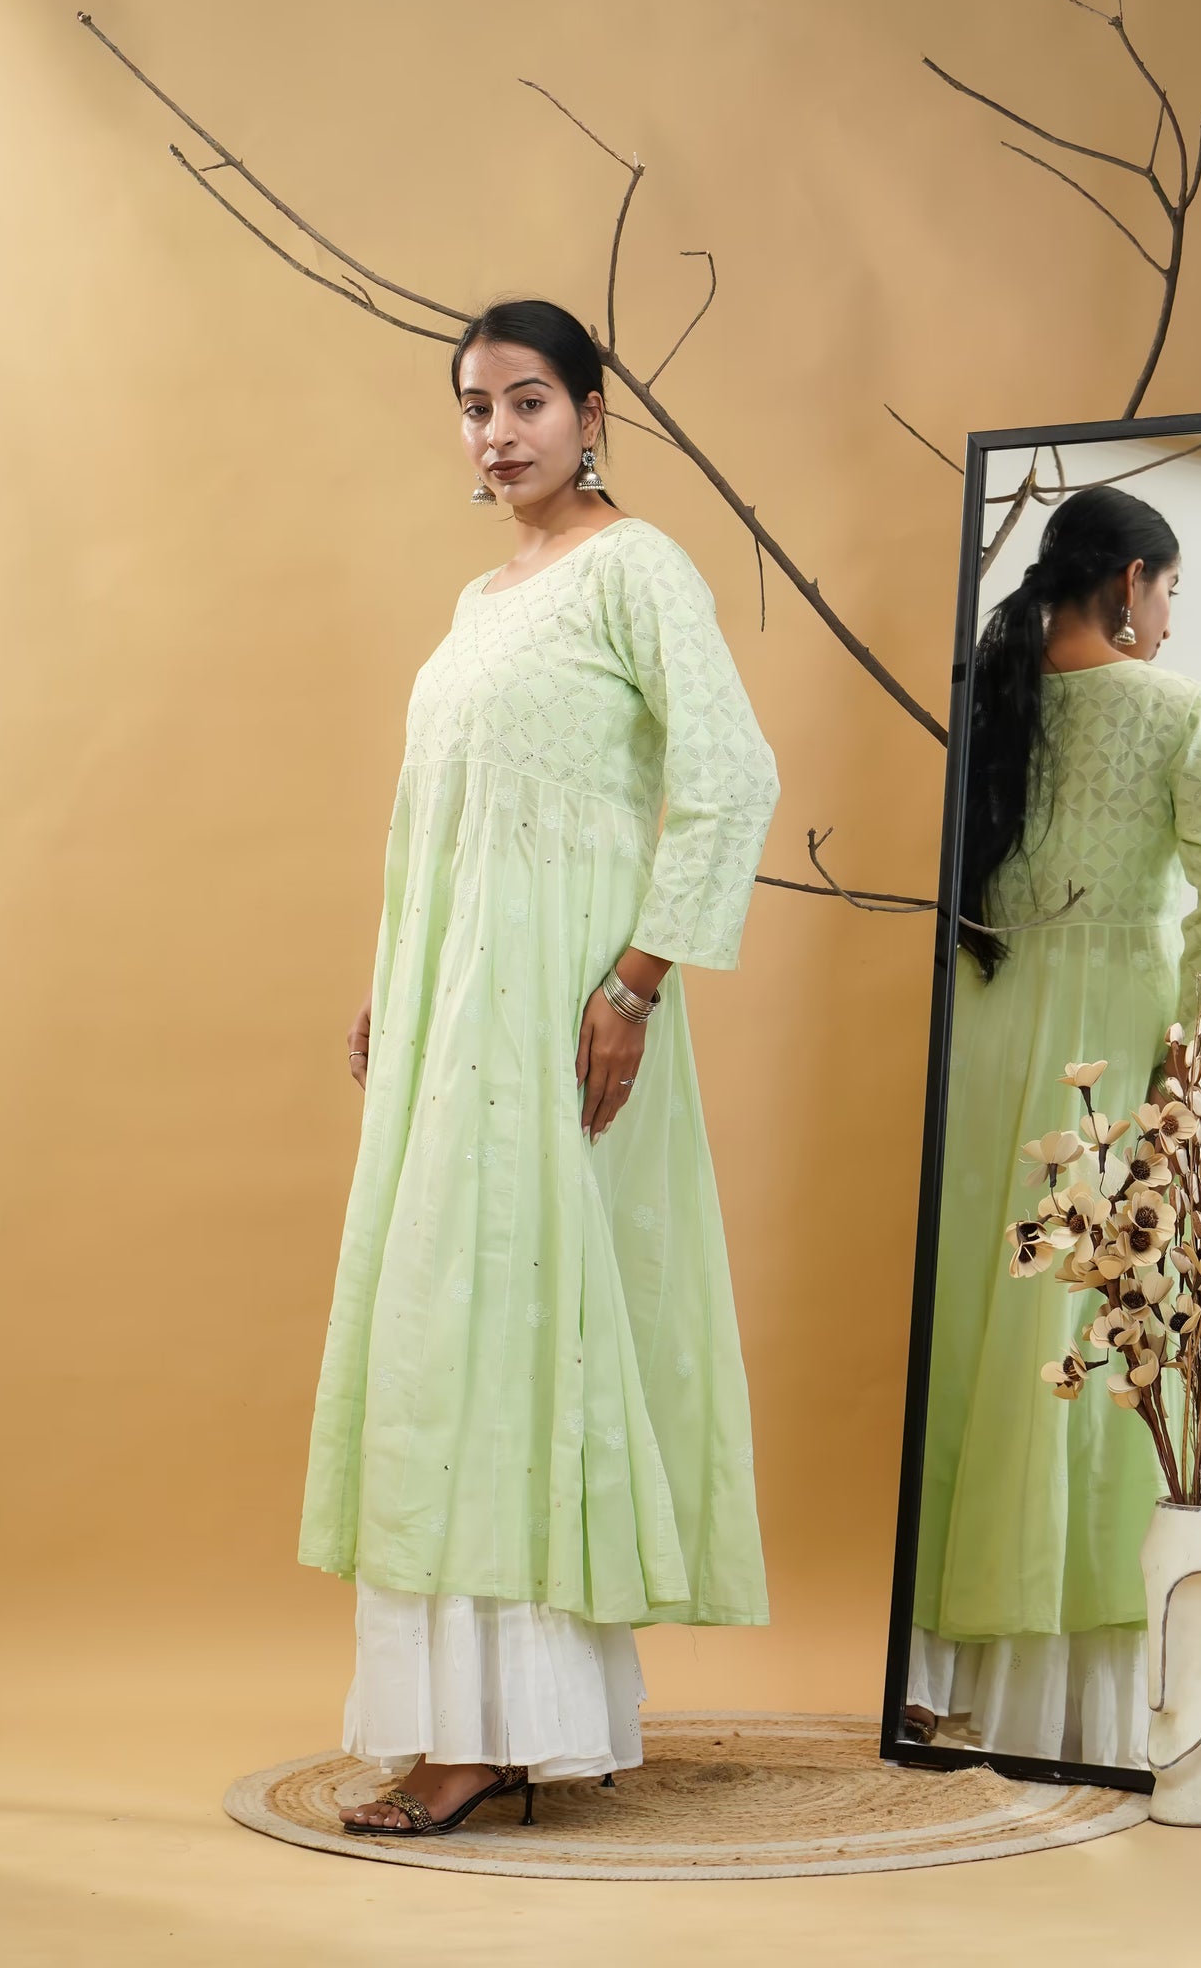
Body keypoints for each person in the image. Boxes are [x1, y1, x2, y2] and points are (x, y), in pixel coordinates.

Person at [294, 298, 781, 1836]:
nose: (496, 434)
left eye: (525, 402)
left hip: (560, 1019)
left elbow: (731, 777)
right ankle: (467, 1719)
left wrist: (635, 983)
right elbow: (433, 820)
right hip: (457, 1023)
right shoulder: (478, 601)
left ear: (591, 413)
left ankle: (505, 1730)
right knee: (448, 1330)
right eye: (472, 408)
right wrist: (397, 981)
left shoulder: (637, 570)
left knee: (522, 1328)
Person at [906, 485, 1201, 1768]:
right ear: (1127, 580)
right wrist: (1191, 1055)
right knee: (1088, 1336)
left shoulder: (993, 705)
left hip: (990, 1041)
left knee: (980, 1332)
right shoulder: (1174, 709)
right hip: (1106, 1051)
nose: (1169, 619)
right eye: (1167, 591)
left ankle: (945, 1670)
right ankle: (1082, 1706)